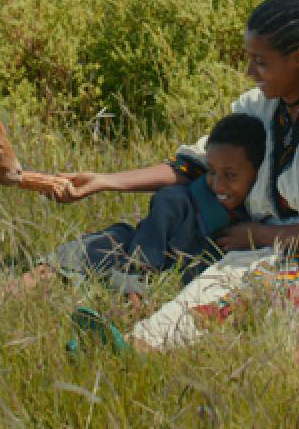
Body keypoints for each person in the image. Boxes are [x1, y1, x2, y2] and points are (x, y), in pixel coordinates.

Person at [59, 0, 299, 351]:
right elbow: (196, 164)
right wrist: (104, 182)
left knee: (255, 290)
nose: (250, 72)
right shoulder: (262, 107)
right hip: (266, 247)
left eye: (260, 62)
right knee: (215, 280)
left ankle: (142, 349)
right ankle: (134, 344)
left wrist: (259, 234)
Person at [43, 112, 266, 294]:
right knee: (103, 244)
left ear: (258, 173)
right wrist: (136, 276)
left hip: (189, 275)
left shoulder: (261, 213)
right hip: (144, 260)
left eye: (230, 176)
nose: (217, 185)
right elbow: (147, 246)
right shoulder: (182, 201)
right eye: (211, 172)